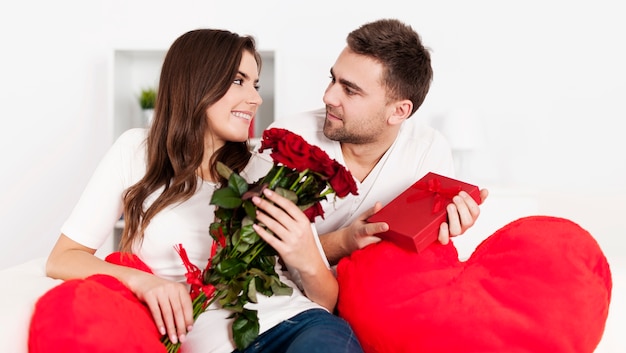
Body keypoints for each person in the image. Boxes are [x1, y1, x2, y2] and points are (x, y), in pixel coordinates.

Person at [42, 29, 363, 353]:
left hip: (300, 326)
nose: (255, 98)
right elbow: (62, 259)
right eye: (238, 81)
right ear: (196, 81)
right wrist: (142, 282)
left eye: (255, 84)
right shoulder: (135, 152)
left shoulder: (264, 171)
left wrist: (306, 257)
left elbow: (326, 300)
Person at [262, 18, 489, 265]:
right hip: (294, 298)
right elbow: (253, 258)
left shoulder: (427, 150)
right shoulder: (288, 139)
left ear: (399, 112)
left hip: (374, 290)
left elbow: (412, 259)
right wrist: (342, 242)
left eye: (350, 90)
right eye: (333, 79)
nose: (328, 96)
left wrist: (438, 233)